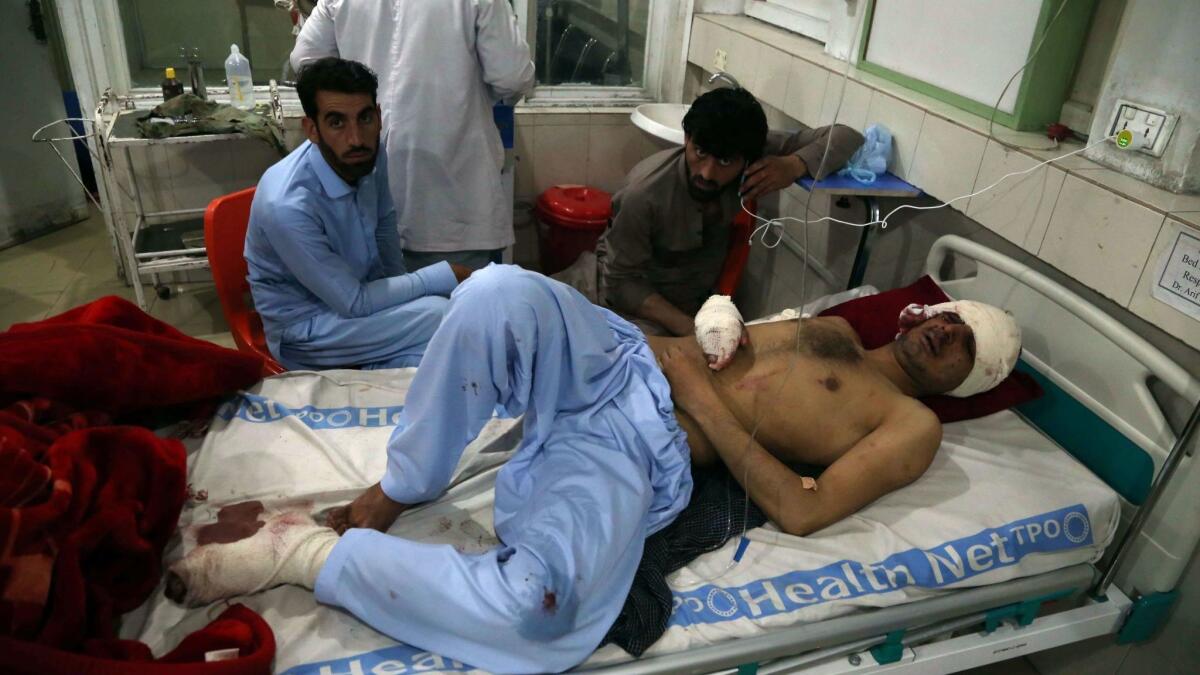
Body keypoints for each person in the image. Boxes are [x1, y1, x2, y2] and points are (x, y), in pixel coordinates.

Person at [167, 266, 1021, 673]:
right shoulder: (837, 319)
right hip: (615, 356)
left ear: (971, 381)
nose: (945, 332)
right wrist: (713, 322)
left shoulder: (911, 424)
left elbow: (802, 511)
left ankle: (305, 556)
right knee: (497, 291)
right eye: (950, 318)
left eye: (964, 346)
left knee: (546, 612)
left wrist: (695, 387)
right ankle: (400, 485)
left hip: (637, 446)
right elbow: (732, 340)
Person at [245, 58, 470, 371]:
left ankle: (381, 371)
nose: (356, 138)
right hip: (307, 330)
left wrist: (403, 291)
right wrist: (446, 275)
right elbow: (353, 302)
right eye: (337, 122)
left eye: (365, 118)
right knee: (439, 315)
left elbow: (384, 224)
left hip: (356, 301)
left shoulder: (369, 155)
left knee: (451, 343)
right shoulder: (287, 206)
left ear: (378, 116)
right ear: (312, 129)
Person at [592, 87, 864, 336]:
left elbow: (847, 136)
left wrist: (794, 165)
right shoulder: (643, 195)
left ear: (747, 158)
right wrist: (692, 330)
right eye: (699, 152)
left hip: (696, 300)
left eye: (725, 161)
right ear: (687, 138)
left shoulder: (744, 147)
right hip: (639, 306)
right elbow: (620, 283)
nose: (707, 173)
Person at [291, 0, 536, 272]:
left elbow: (306, 60)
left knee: (388, 309)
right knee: (460, 309)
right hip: (454, 209)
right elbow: (513, 76)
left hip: (369, 203)